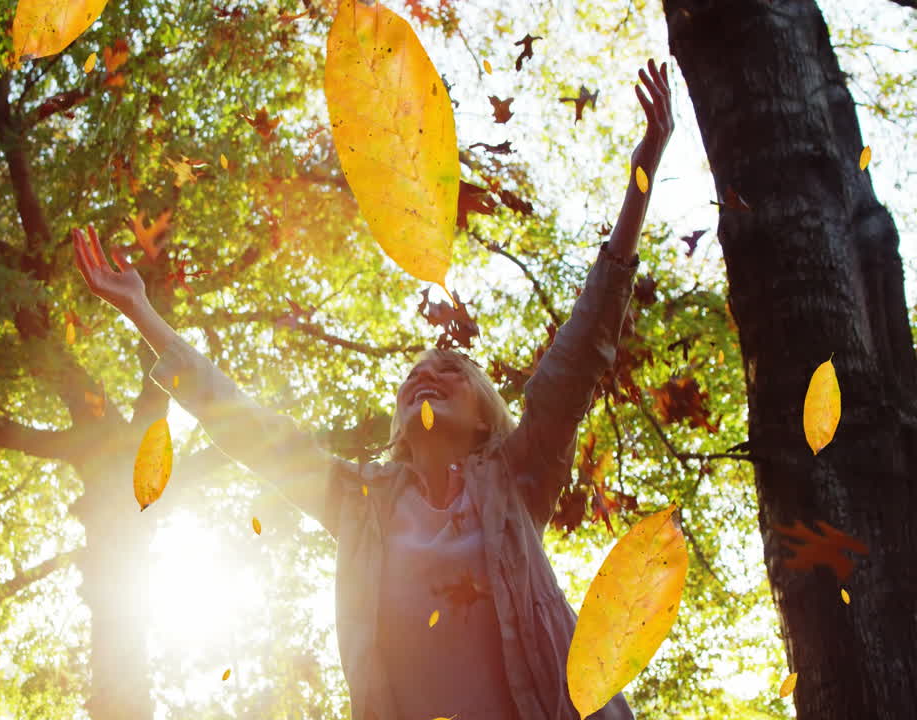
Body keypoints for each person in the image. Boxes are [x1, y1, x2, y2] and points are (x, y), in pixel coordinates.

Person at [74, 59, 674, 720]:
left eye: (449, 373)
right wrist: (144, 315)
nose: (427, 374)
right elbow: (244, 425)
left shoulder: (515, 480)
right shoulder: (360, 504)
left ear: (483, 420)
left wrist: (639, 184)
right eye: (414, 376)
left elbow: (577, 360)